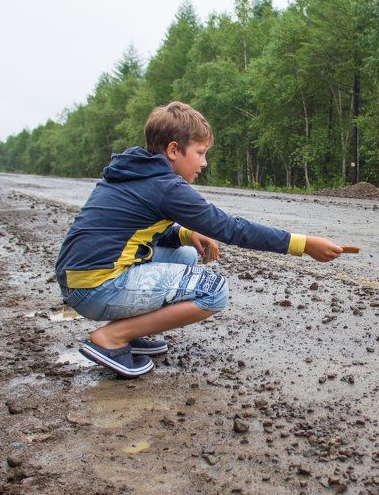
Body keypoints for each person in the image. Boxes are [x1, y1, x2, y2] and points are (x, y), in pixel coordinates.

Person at [55, 102, 343, 377]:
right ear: (173, 150)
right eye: (200, 152)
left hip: (80, 279)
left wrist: (186, 233)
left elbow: (133, 229)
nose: (204, 163)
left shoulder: (136, 172)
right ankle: (112, 337)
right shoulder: (165, 186)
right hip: (96, 287)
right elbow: (231, 228)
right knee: (214, 292)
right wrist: (302, 244)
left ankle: (130, 331)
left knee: (186, 256)